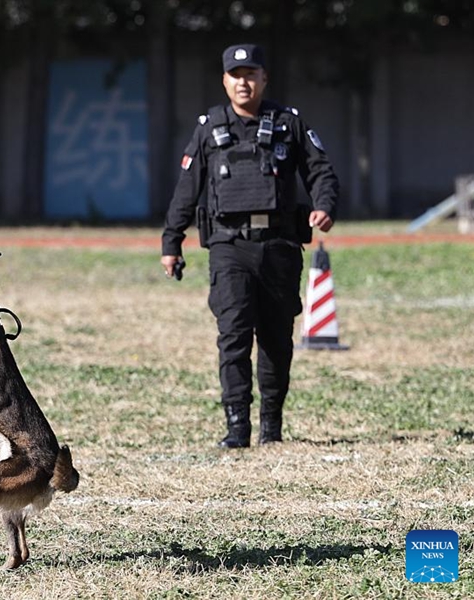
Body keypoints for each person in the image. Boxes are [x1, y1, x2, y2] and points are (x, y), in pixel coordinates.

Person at [160, 43, 339, 449]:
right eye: (236, 75)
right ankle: (237, 427)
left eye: (251, 74)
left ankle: (271, 427)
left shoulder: (288, 123)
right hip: (229, 245)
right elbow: (187, 189)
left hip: (279, 245)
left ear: (264, 78)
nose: (244, 83)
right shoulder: (209, 128)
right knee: (234, 335)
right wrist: (172, 241)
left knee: (276, 338)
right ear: (225, 81)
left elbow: (321, 171)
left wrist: (325, 206)